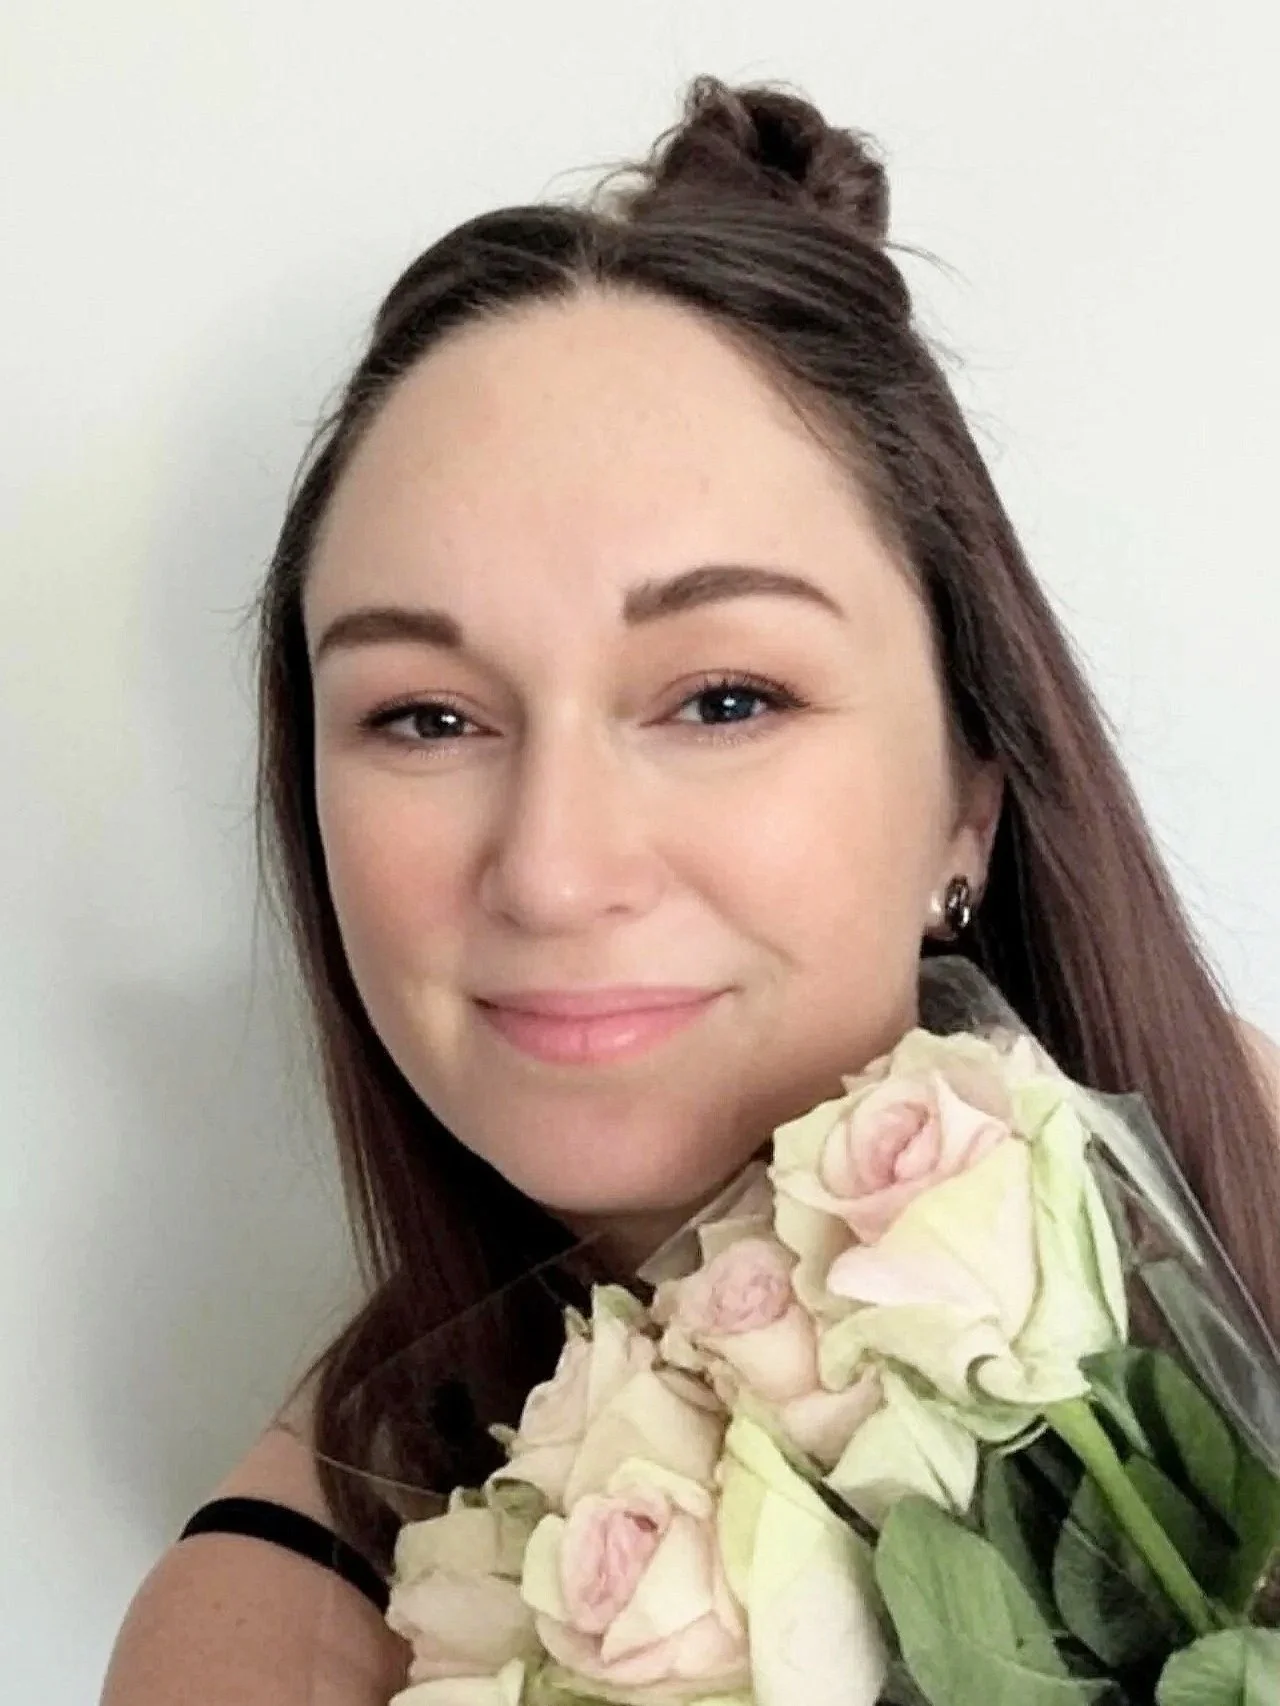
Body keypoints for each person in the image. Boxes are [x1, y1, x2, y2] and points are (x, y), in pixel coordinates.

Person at [101, 74, 1280, 1706]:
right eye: (425, 717)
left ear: (972, 791)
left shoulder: (1260, 1172)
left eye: (723, 696)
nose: (558, 868)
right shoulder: (265, 1650)